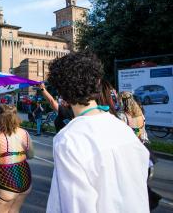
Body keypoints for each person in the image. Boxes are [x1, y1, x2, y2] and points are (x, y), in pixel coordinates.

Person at [46, 51, 150, 213]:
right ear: (98, 81)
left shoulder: (69, 138)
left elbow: (76, 206)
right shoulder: (123, 128)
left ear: (62, 94)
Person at [0, 104, 34, 213]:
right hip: (24, 177)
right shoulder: (24, 133)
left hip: (6, 178)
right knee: (14, 210)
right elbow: (31, 155)